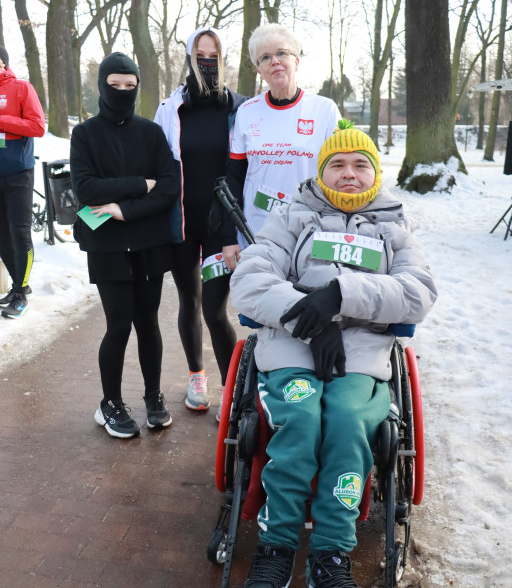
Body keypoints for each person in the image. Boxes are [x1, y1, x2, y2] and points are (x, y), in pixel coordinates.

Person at [229, 121, 437, 588]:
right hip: (295, 348)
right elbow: (250, 282)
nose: (348, 173)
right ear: (321, 174)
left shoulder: (395, 229)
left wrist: (341, 296)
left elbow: (418, 292)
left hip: (362, 357)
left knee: (346, 424)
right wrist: (307, 315)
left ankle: (330, 564)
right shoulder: (291, 219)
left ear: (375, 172)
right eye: (337, 165)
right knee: (299, 417)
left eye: (360, 164)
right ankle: (275, 552)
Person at [71, 52, 181, 439]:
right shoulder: (84, 134)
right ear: (101, 85)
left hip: (148, 242)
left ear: (138, 87)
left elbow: (169, 185)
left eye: (129, 86)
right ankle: (110, 402)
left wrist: (126, 210)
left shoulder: (150, 133)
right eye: (114, 85)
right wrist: (138, 185)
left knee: (148, 323)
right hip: (107, 246)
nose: (121, 92)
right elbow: (85, 188)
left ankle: (153, 395)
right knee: (118, 324)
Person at [155, 27, 247, 420]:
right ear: (189, 57)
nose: (207, 61)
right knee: (189, 302)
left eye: (214, 55)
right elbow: (158, 164)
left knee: (214, 309)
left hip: (218, 227)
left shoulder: (239, 108)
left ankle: (231, 391)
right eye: (200, 54)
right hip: (181, 224)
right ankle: (196, 376)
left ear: (223, 59)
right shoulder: (172, 107)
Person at [221, 23, 341, 271]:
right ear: (259, 69)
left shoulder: (325, 110)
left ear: (296, 61)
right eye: (265, 57)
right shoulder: (247, 112)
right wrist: (228, 236)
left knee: (304, 306)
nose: (274, 61)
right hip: (257, 234)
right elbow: (234, 177)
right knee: (257, 305)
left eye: (281, 53)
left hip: (310, 232)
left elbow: (341, 174)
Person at [0, 46, 45, 319]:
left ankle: (21, 289)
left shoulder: (21, 88)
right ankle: (17, 288)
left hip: (18, 172)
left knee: (19, 232)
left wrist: (2, 120)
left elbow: (38, 126)